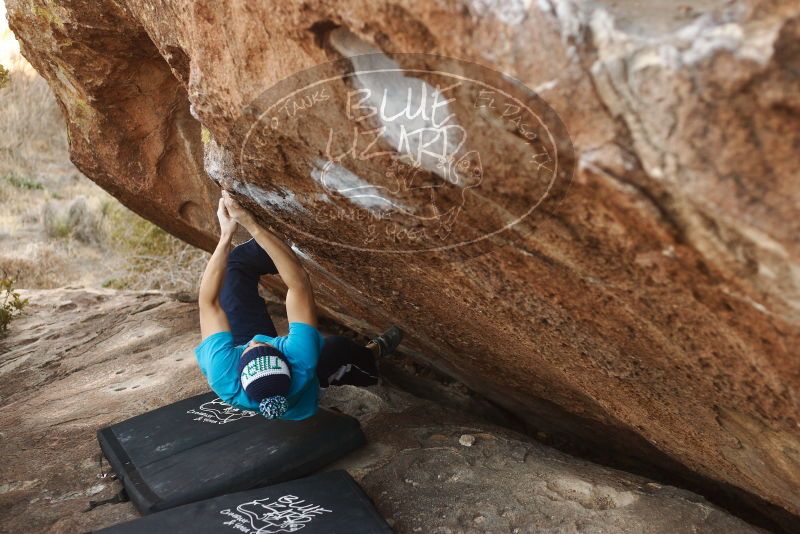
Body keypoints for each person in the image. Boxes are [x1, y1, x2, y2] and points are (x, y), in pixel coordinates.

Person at [194, 190, 403, 420]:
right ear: (286, 359)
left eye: (250, 349)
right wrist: (252, 226)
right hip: (305, 395)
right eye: (263, 346)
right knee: (338, 348)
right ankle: (371, 360)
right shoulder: (301, 361)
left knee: (234, 268)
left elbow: (208, 302)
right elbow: (299, 284)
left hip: (254, 365)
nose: (255, 341)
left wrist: (226, 235)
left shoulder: (222, 372)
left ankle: (279, 243)